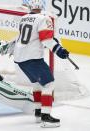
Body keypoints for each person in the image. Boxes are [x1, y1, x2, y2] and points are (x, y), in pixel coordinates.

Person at [13, 0, 69, 128]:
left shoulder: (24, 18)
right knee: (49, 84)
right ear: (42, 7)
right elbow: (46, 39)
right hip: (33, 58)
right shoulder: (44, 19)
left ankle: (38, 112)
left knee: (37, 84)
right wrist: (59, 50)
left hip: (20, 59)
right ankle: (46, 117)